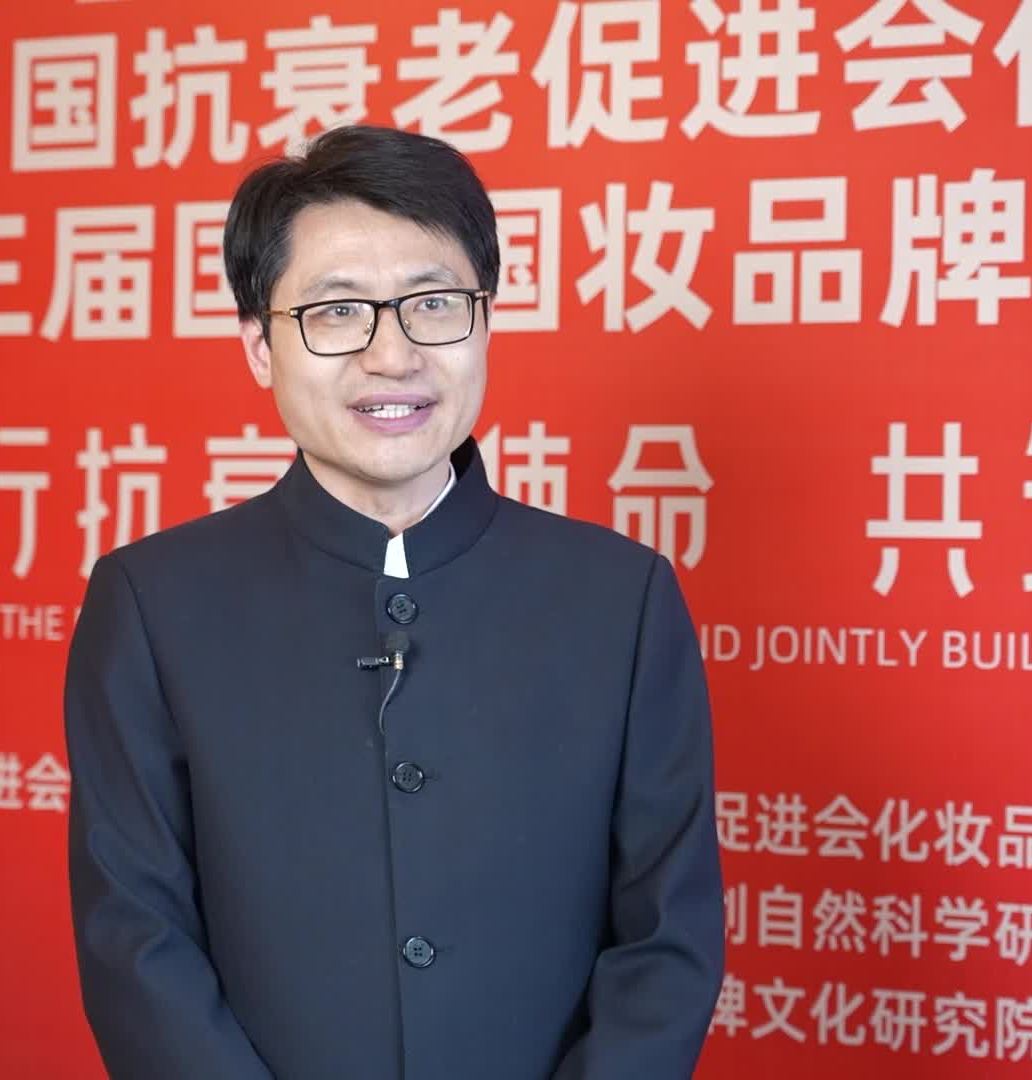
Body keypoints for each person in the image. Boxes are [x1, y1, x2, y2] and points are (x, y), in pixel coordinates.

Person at [63, 124, 723, 1080]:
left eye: (433, 303)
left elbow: (668, 937)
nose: (393, 356)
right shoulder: (152, 602)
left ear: (484, 323)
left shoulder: (623, 599)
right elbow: (135, 938)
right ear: (259, 346)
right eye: (337, 312)